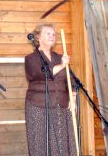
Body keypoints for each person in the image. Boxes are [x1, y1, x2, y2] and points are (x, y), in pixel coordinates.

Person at [24, 24, 77, 156]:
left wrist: (73, 98)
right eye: (48, 33)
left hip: (61, 106)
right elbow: (42, 74)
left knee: (62, 143)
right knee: (41, 144)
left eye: (53, 34)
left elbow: (72, 80)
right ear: (38, 37)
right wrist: (62, 65)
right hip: (39, 107)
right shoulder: (31, 59)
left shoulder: (59, 57)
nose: (52, 36)